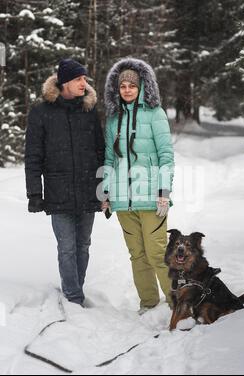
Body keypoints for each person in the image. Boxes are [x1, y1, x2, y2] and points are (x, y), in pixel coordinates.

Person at [25, 59, 105, 306]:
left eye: (85, 79)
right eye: (79, 79)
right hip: (58, 191)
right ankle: (74, 297)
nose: (84, 83)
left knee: (83, 245)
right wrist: (34, 193)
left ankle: (75, 290)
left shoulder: (89, 111)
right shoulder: (41, 112)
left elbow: (101, 152)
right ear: (65, 82)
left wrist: (105, 190)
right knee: (67, 248)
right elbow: (33, 156)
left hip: (88, 189)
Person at [102, 58, 175, 314]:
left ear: (142, 87)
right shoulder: (113, 120)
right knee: (137, 255)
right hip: (123, 200)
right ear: (117, 89)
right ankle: (148, 302)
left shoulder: (156, 114)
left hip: (152, 199)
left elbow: (166, 155)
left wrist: (164, 192)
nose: (128, 90)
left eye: (132, 85)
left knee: (157, 254)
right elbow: (109, 159)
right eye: (123, 86)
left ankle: (177, 303)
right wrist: (106, 192)